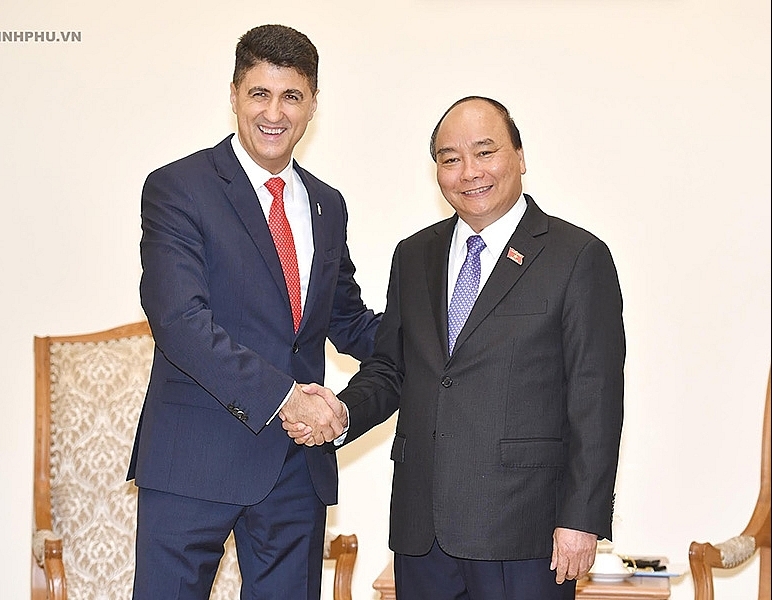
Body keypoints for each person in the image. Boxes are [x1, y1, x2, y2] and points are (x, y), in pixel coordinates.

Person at [287, 96, 625, 599]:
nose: (469, 172)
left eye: (485, 152)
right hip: (423, 534)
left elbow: (596, 400)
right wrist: (342, 412)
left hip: (525, 533)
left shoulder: (577, 257)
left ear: (520, 157)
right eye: (451, 159)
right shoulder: (414, 254)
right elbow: (392, 368)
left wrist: (581, 519)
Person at [127, 24, 380, 600]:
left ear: (312, 103)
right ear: (234, 94)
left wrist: (444, 337)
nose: (274, 112)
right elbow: (180, 323)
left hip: (295, 467)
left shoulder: (327, 204)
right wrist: (286, 398)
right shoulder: (178, 188)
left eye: (291, 96)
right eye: (259, 93)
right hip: (194, 458)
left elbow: (345, 320)